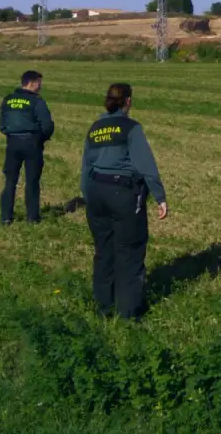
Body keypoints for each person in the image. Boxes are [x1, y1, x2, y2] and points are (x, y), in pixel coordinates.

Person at [80, 82, 168, 320]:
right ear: (128, 101)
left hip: (96, 191)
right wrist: (159, 196)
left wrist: (87, 195)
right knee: (129, 251)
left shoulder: (95, 128)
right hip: (123, 193)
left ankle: (103, 307)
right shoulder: (131, 127)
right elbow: (145, 164)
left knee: (104, 250)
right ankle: (128, 314)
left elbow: (86, 165)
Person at [0, 69, 55, 225]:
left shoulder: (8, 100)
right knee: (32, 181)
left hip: (12, 143)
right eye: (39, 83)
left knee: (10, 181)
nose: (40, 87)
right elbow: (47, 125)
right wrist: (40, 139)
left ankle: (6, 217)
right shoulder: (37, 102)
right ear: (31, 83)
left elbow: (2, 123)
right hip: (32, 143)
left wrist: (10, 134)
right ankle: (32, 218)